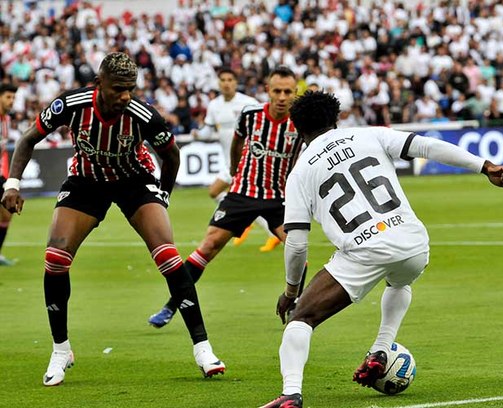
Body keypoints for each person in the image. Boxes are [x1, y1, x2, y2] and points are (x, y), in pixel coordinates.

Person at [260, 91, 503, 408]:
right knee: (400, 281)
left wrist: (290, 291)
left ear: (297, 129)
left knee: (301, 318)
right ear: (336, 118)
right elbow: (427, 146)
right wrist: (484, 166)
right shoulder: (370, 135)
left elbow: (297, 243)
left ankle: (291, 393)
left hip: (363, 249)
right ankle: (381, 349)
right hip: (413, 242)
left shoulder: (299, 172)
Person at [0, 53, 225, 386]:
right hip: (86, 182)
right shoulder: (71, 105)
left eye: (130, 89)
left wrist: (162, 194)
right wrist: (13, 184)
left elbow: (172, 155)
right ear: (99, 84)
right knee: (55, 259)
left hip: (134, 180)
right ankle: (61, 350)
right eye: (118, 89)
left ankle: (203, 348)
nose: (125, 96)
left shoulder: (143, 114)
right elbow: (28, 140)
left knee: (167, 255)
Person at [148, 66, 304, 328]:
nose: (281, 97)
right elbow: (236, 142)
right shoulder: (251, 114)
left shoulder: (300, 123)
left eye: (288, 92)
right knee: (207, 247)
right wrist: (234, 170)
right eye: (276, 90)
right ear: (268, 90)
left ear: (295, 93)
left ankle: (295, 306)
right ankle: (171, 306)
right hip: (242, 193)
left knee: (298, 250)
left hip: (278, 197)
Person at [193, 68, 281, 253]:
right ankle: (250, 222)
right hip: (230, 162)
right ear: (218, 83)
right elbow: (207, 132)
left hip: (248, 162)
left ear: (235, 82)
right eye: (223, 79)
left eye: (230, 79)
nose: (226, 83)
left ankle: (252, 223)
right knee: (215, 192)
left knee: (220, 192)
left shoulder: (247, 103)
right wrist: (197, 133)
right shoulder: (214, 105)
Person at [0, 83, 18, 266]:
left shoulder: (5, 119)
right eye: (8, 97)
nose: (11, 101)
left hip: (1, 175)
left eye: (13, 98)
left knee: (7, 213)